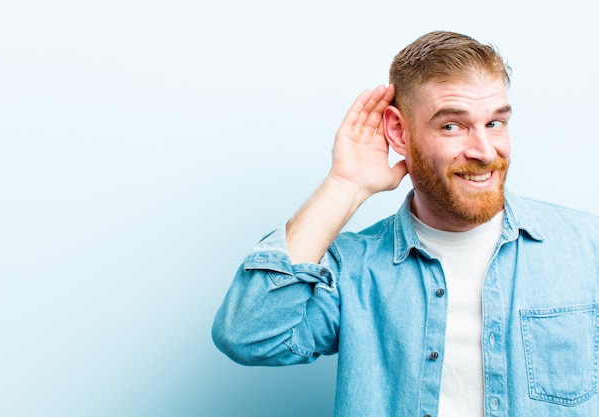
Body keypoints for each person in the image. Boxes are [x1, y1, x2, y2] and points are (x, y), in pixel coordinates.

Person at [212, 31, 599, 416]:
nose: (484, 151)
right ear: (399, 131)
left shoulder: (587, 247)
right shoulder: (354, 269)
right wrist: (343, 186)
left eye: (495, 123)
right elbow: (247, 335)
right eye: (453, 126)